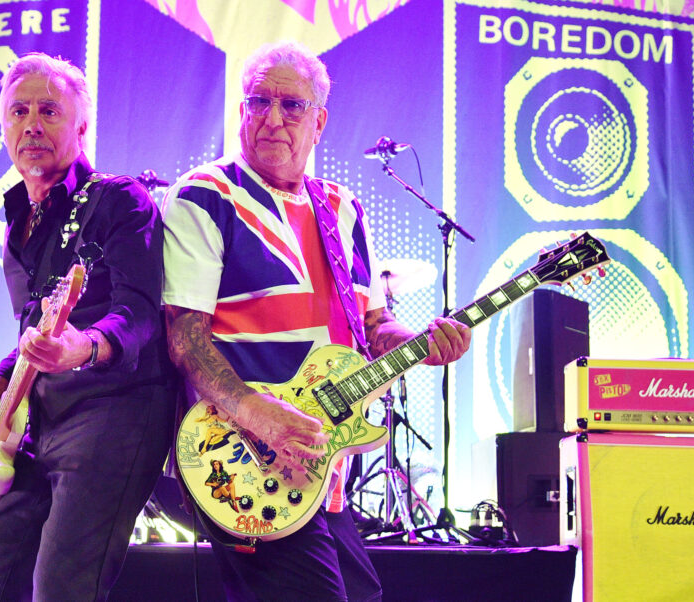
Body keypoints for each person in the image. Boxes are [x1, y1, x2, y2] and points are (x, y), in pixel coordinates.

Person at [161, 41, 471, 601]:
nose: (272, 119)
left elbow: (373, 330)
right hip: (243, 454)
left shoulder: (342, 209)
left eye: (291, 106)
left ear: (320, 121)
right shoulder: (206, 196)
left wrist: (423, 341)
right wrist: (261, 415)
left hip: (322, 471)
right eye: (258, 102)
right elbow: (185, 338)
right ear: (241, 112)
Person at [0, 52, 174, 601]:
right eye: (18, 111)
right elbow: (33, 332)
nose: (31, 124)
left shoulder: (119, 200)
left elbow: (141, 312)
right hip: (36, 419)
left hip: (115, 412)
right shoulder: (17, 228)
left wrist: (86, 347)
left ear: (80, 125)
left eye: (49, 111)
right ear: (2, 125)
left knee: (62, 590)